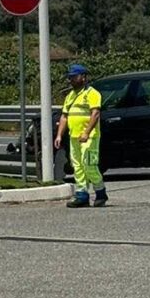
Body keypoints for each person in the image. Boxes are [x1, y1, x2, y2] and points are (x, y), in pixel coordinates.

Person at [54, 64, 108, 207]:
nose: (71, 80)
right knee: (77, 166)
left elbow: (95, 114)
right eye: (70, 77)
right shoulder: (70, 96)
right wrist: (59, 135)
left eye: (74, 77)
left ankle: (100, 192)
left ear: (83, 77)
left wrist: (86, 132)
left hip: (89, 137)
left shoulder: (92, 94)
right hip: (74, 136)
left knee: (89, 164)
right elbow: (64, 116)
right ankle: (82, 195)